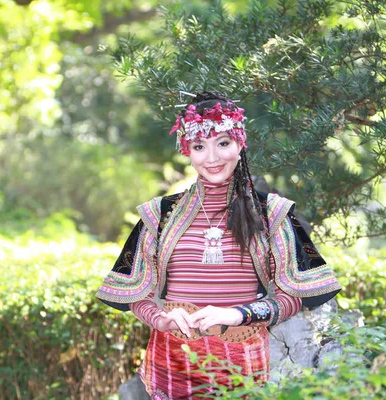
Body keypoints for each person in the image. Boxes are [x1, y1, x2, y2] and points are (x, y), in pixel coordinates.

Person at [96, 91, 342, 399]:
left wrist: (238, 314)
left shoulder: (271, 213)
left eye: (223, 143)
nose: (212, 158)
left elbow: (293, 297)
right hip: (173, 361)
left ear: (240, 143)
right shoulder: (159, 214)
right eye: (200, 146)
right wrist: (162, 318)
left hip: (242, 363)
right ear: (187, 150)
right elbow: (136, 295)